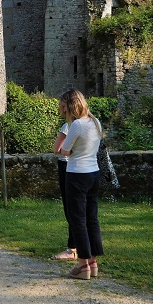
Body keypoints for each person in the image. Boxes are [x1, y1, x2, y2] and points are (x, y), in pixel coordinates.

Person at [59, 88, 103, 280]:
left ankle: (82, 264)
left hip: (77, 174)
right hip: (94, 172)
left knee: (78, 219)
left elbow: (64, 150)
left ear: (70, 105)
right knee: (92, 218)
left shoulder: (77, 125)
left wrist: (70, 151)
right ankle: (93, 261)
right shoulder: (95, 122)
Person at [51, 99, 77, 261]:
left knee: (70, 208)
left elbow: (57, 149)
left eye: (62, 105)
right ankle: (80, 246)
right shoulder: (89, 123)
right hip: (85, 168)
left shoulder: (68, 126)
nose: (60, 108)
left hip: (68, 167)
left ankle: (72, 248)